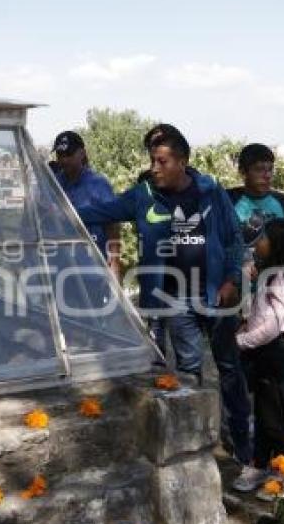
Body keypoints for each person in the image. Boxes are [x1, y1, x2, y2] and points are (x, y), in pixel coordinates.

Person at [74, 128, 253, 469]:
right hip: (175, 300)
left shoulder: (211, 191)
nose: (155, 167)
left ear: (182, 162)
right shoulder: (143, 195)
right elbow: (101, 211)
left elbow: (233, 239)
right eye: (152, 161)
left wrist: (231, 279)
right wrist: (57, 206)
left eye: (162, 161)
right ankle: (197, 448)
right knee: (189, 374)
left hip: (216, 295)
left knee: (230, 370)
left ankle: (243, 445)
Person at [232, 219, 284, 493]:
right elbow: (260, 315)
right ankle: (261, 463)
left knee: (276, 419)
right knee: (264, 415)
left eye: (262, 237)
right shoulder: (271, 275)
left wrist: (241, 340)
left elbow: (272, 328)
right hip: (265, 356)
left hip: (275, 356)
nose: (257, 242)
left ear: (277, 245)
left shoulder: (280, 280)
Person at [51, 130, 121, 280]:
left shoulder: (98, 184)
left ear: (82, 153)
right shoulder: (53, 184)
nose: (64, 160)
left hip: (92, 271)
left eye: (69, 154)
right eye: (60, 155)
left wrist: (114, 263)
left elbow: (113, 225)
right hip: (60, 270)